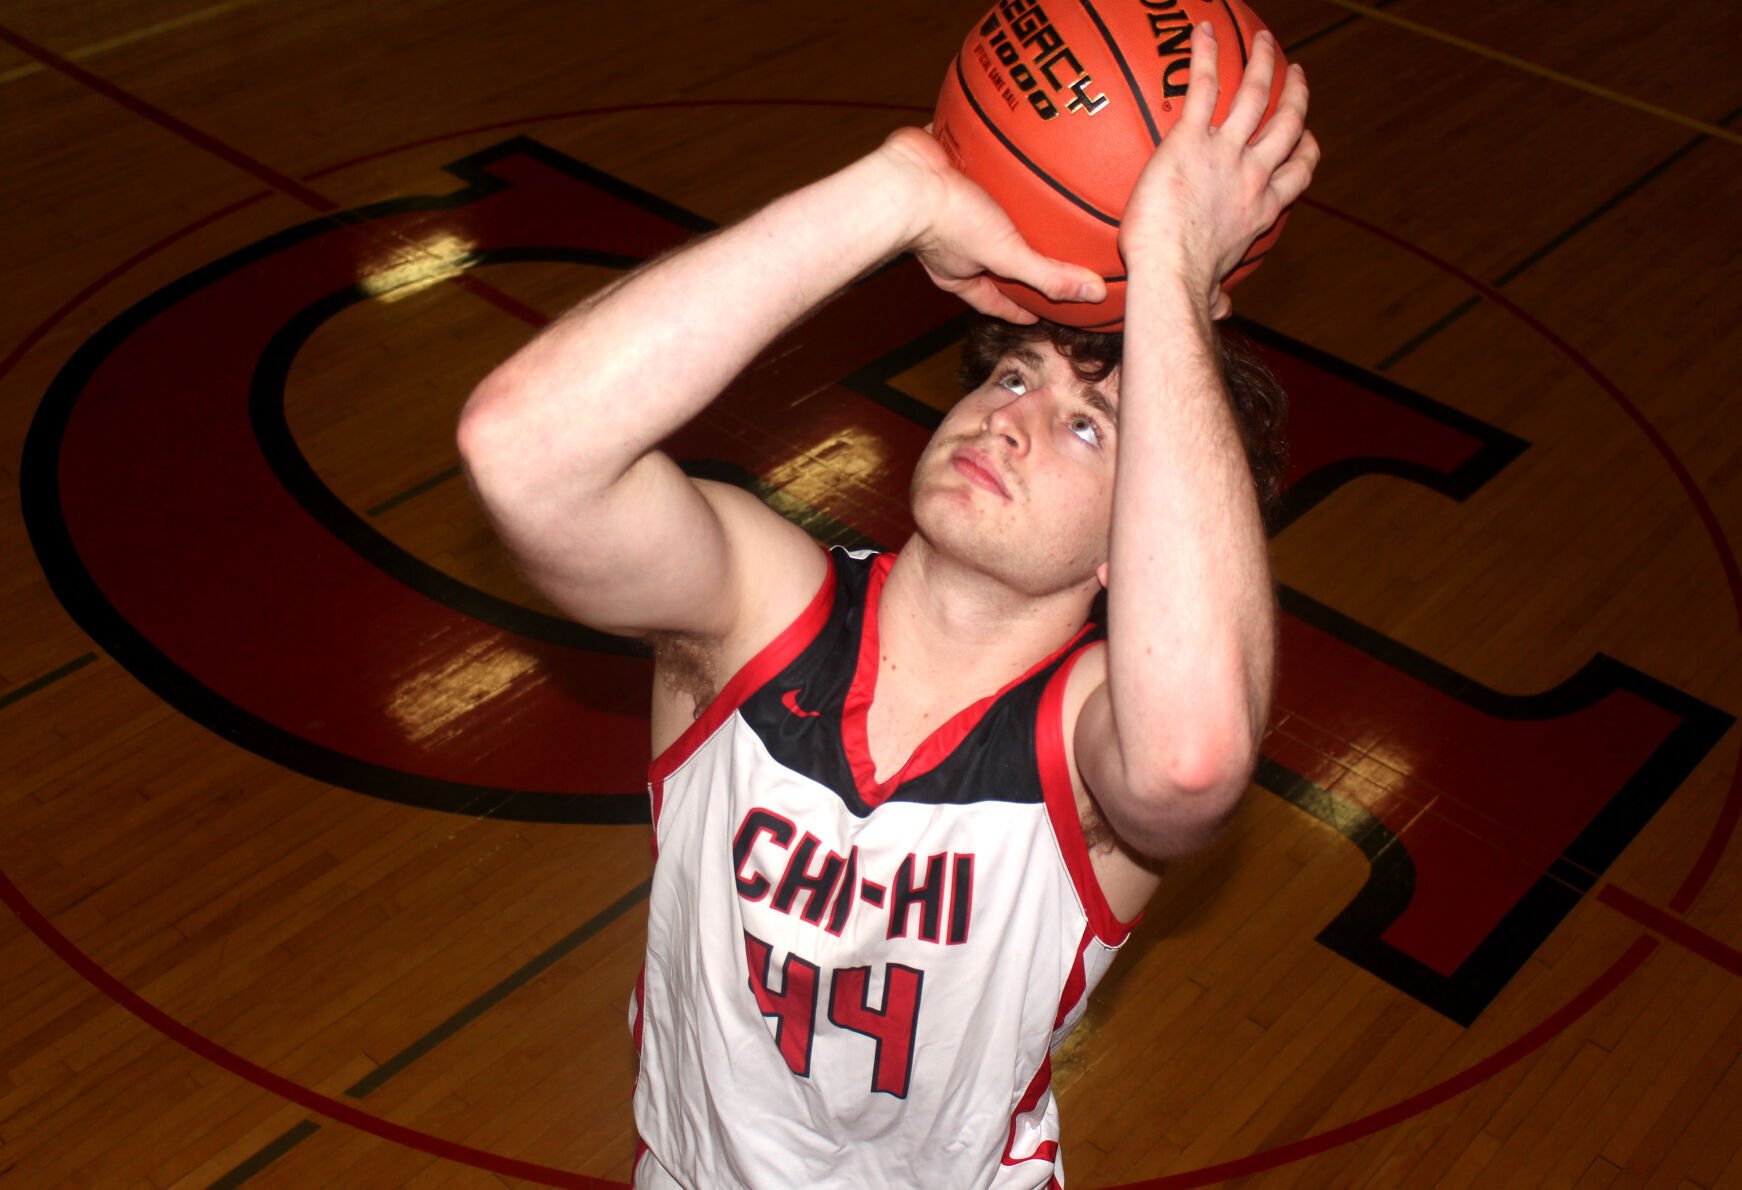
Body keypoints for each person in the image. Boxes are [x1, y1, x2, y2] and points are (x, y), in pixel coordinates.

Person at [458, 20, 1316, 1189]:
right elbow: (524, 449)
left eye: (1082, 424)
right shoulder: (757, 614)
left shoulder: (1085, 740)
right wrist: (899, 188)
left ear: (1134, 542)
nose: (1008, 412)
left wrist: (1164, 263)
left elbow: (1190, 762)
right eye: (1011, 373)